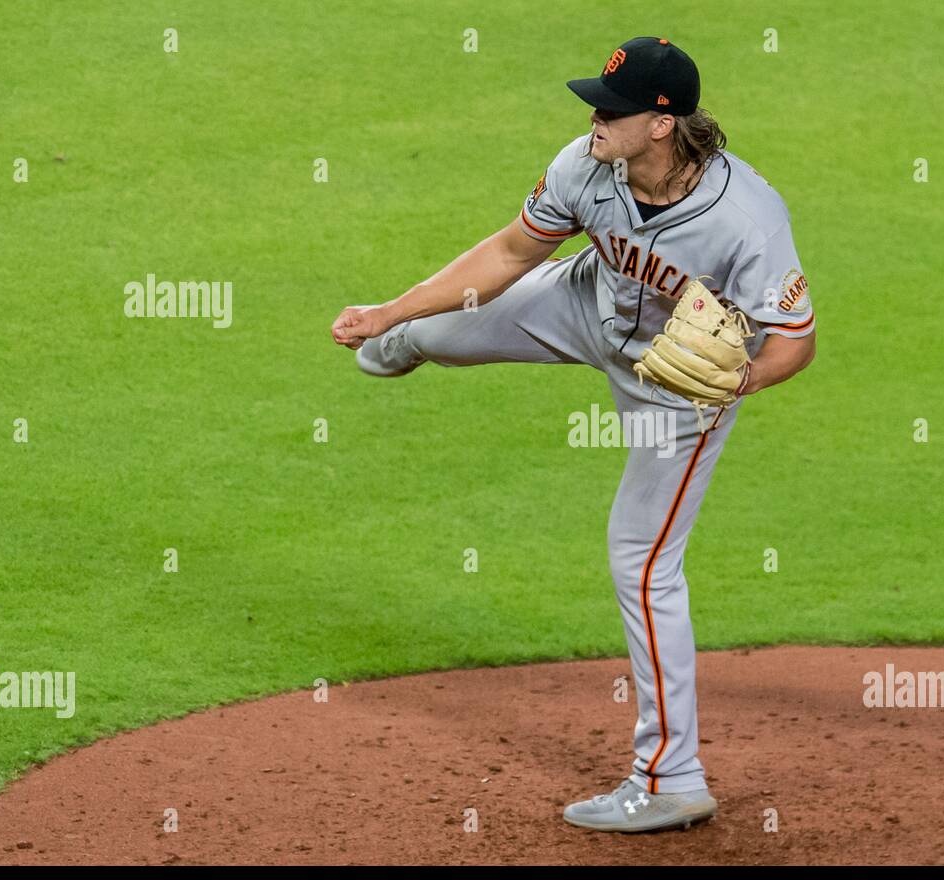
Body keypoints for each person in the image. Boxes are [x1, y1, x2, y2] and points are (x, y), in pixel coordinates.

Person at [331, 36, 816, 833]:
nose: (594, 117)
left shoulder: (747, 220)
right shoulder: (586, 165)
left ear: (662, 124)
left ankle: (671, 779)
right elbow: (514, 251)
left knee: (643, 558)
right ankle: (406, 341)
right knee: (442, 329)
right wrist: (390, 311)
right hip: (587, 302)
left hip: (675, 389)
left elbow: (796, 340)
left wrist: (742, 380)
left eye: (611, 109)